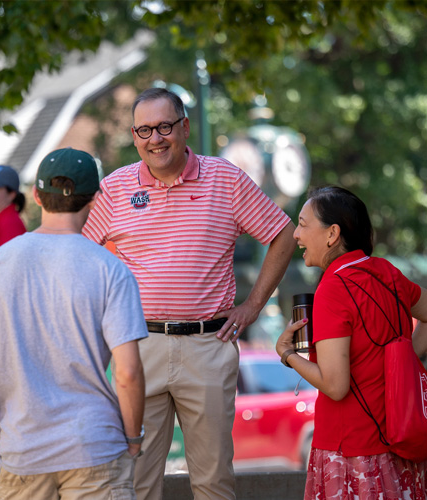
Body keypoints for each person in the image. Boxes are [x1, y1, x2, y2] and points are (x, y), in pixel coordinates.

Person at [82, 87, 296, 500]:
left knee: (214, 482)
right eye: (144, 130)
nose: (155, 138)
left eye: (164, 126)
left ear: (183, 127)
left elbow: (283, 233)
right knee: (137, 483)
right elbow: (81, 258)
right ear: (133, 135)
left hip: (208, 345)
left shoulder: (226, 178)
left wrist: (253, 305)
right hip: (139, 348)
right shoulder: (115, 188)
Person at [0, 148, 147, 499]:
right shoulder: (111, 268)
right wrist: (133, 438)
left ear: (38, 196)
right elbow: (128, 372)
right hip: (94, 445)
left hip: (23, 449)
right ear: (95, 196)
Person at [275, 186, 427, 499]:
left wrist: (288, 354)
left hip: (350, 451)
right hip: (400, 445)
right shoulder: (386, 271)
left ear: (332, 234)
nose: (295, 235)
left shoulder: (333, 288)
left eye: (303, 225)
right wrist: (406, 357)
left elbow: (335, 385)